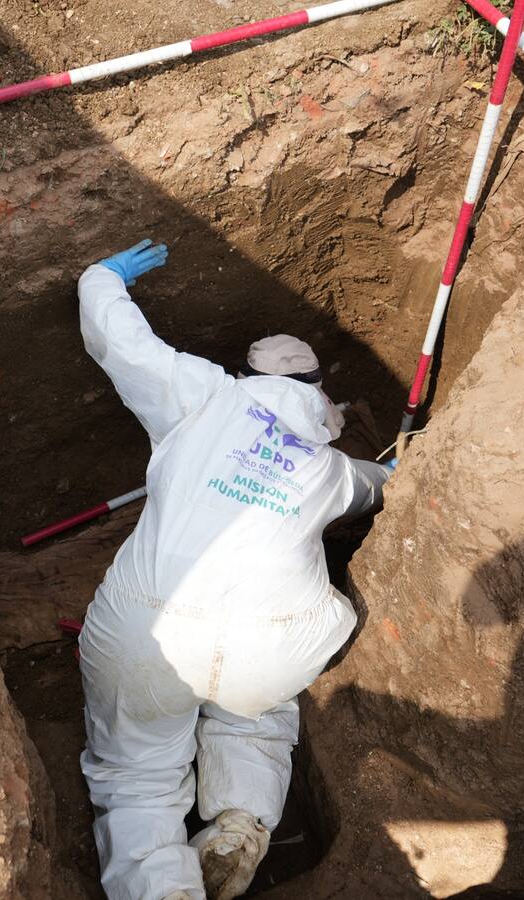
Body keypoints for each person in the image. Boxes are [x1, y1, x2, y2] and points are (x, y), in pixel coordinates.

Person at [76, 239, 395, 900]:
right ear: (318, 400)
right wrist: (393, 471)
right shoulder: (329, 467)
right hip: (269, 639)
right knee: (259, 706)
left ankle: (163, 890)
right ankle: (240, 823)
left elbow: (122, 342)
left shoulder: (206, 397)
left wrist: (102, 279)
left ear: (251, 377)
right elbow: (376, 486)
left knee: (138, 770)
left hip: (151, 626)